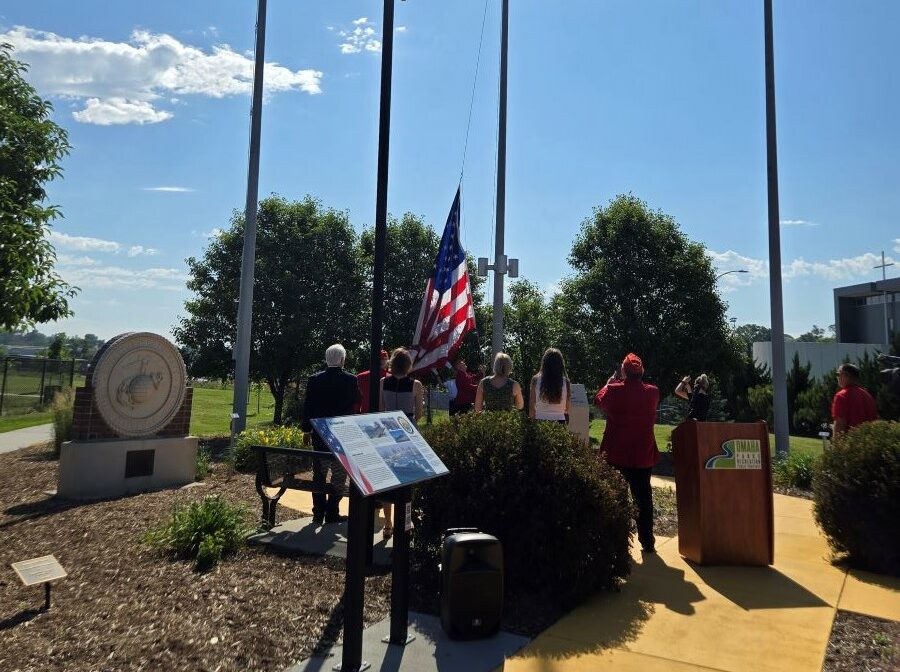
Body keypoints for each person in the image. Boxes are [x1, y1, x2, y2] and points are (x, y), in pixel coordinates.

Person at [594, 352, 660, 553]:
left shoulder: (613, 391)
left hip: (616, 455)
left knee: (617, 498)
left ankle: (618, 540)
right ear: (642, 372)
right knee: (643, 500)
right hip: (642, 455)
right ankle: (647, 540)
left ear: (623, 370)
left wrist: (609, 383)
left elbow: (598, 401)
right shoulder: (653, 392)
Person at [302, 343, 360, 526]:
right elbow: (356, 400)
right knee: (339, 474)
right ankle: (332, 511)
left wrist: (306, 430)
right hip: (341, 432)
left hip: (319, 432)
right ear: (342, 359)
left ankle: (318, 512)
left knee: (319, 474)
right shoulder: (351, 380)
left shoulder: (314, 380)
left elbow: (308, 406)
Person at [379, 348, 424, 539]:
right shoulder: (416, 384)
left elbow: (381, 408)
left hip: (387, 429)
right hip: (407, 430)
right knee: (408, 478)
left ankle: (388, 523)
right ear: (408, 365)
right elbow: (420, 412)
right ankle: (405, 523)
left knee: (388, 478)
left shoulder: (383, 382)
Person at [831, 363, 878, 434]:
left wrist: (836, 444)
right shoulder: (868, 396)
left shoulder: (841, 396)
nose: (837, 377)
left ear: (845, 375)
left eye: (838, 374)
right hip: (868, 442)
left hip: (850, 442)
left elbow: (840, 426)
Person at [529, 347, 571, 422]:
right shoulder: (566, 382)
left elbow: (532, 405)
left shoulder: (535, 379)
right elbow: (567, 408)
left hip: (540, 419)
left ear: (544, 363)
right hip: (559, 420)